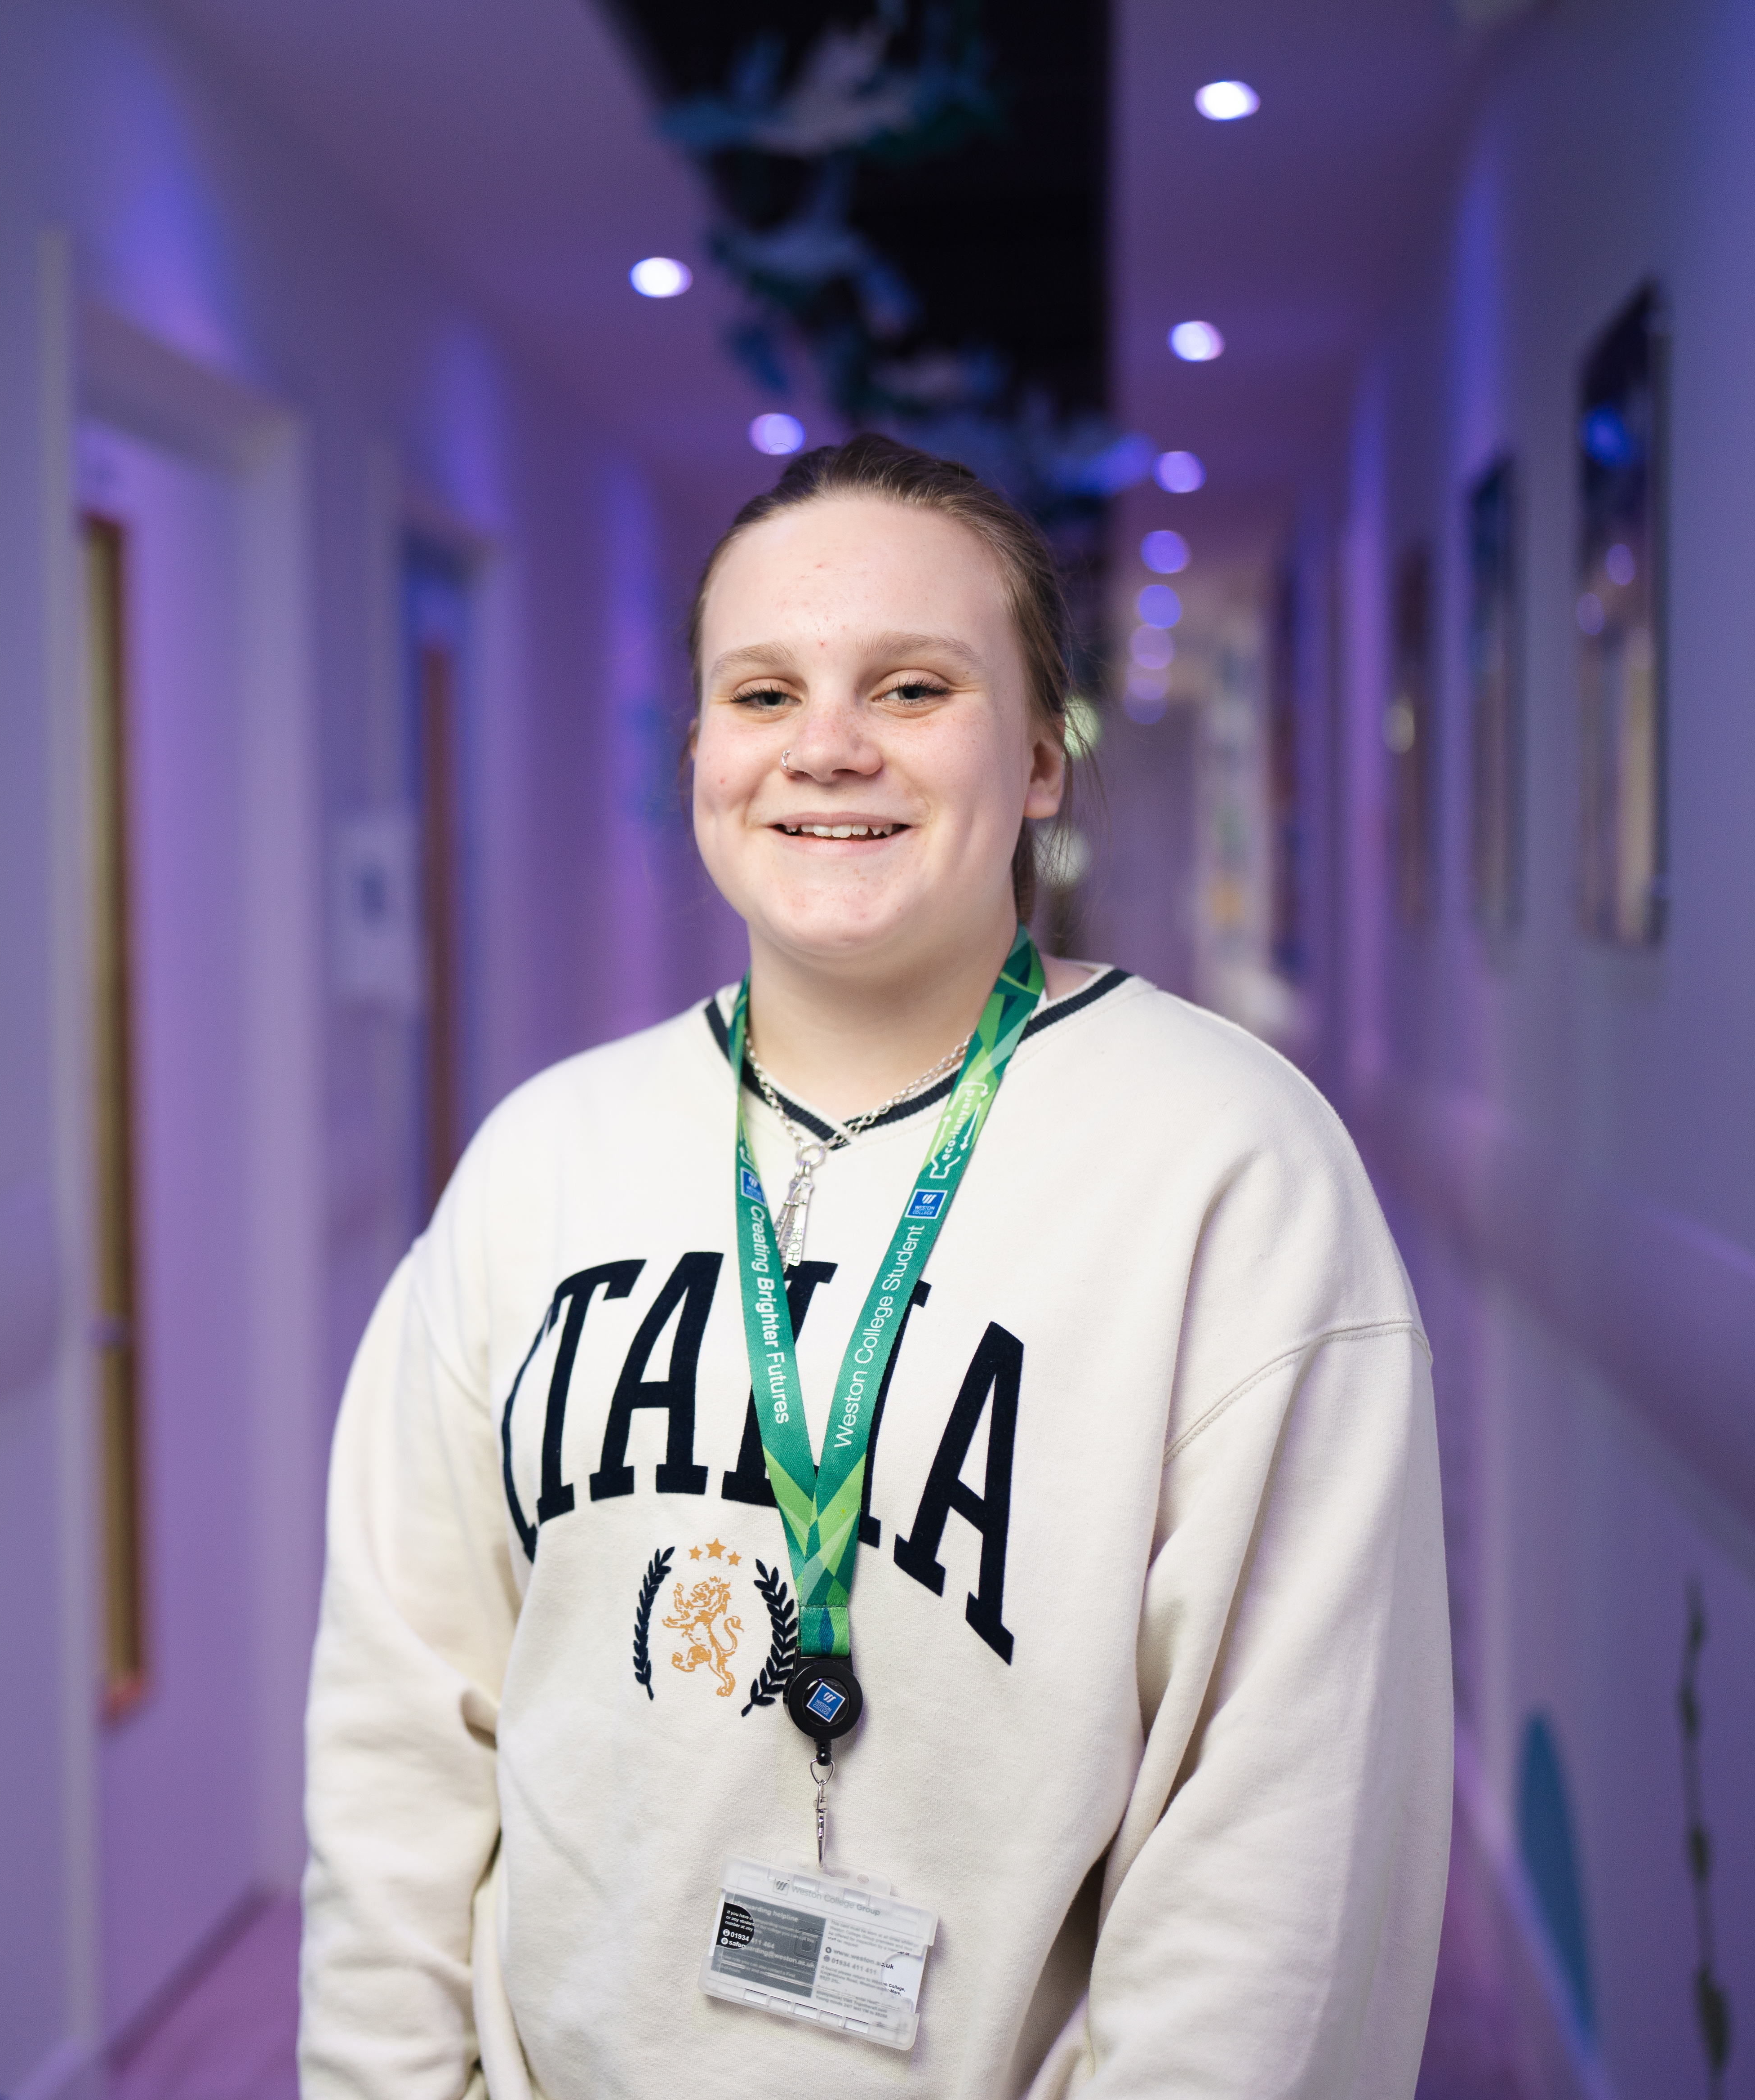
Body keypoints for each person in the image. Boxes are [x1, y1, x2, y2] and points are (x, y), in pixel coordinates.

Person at [300, 436, 1448, 2098]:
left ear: (1046, 757)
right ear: (697, 748)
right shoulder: (542, 1167)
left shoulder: (1231, 1171)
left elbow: (1281, 1852)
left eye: (914, 687)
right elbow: (401, 1752)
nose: (827, 747)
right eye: (761, 695)